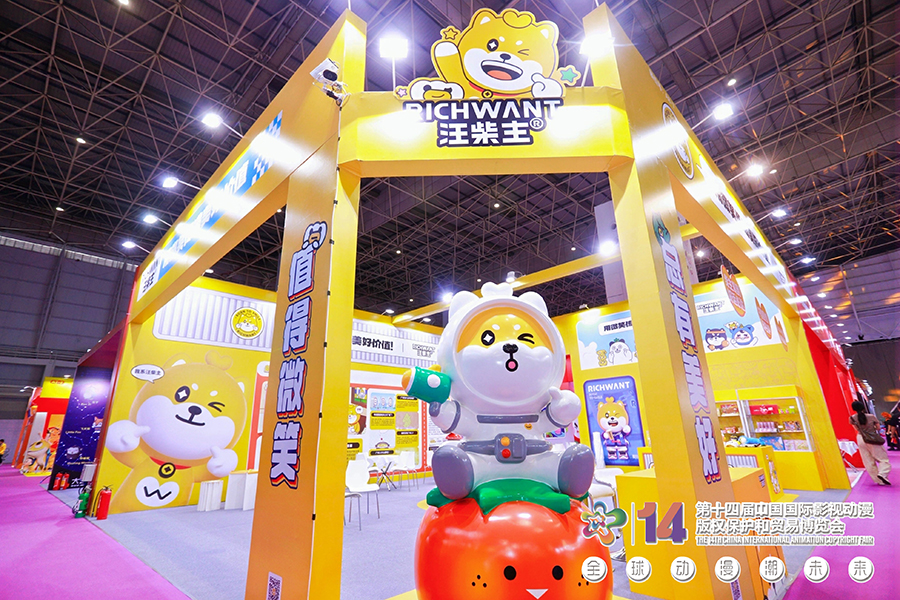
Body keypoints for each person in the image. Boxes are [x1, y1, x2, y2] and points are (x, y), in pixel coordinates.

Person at [849, 401, 891, 485]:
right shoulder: (871, 416)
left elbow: (856, 429)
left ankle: (879, 481)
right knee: (883, 459)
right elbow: (878, 428)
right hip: (872, 438)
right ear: (863, 407)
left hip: (861, 438)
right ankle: (883, 473)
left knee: (868, 460)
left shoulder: (852, 418)